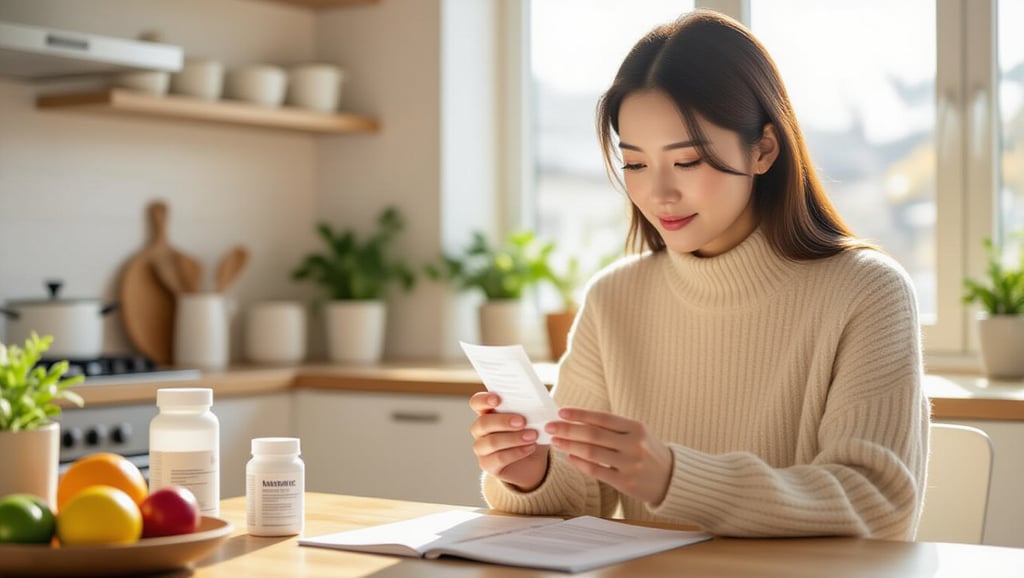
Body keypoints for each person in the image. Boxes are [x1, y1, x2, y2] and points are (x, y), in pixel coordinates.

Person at [468, 9, 929, 539]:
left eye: (686, 162)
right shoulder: (614, 298)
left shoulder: (867, 291)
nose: (658, 193)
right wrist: (532, 473)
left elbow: (878, 501)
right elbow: (578, 493)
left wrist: (674, 476)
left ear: (763, 150)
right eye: (636, 164)